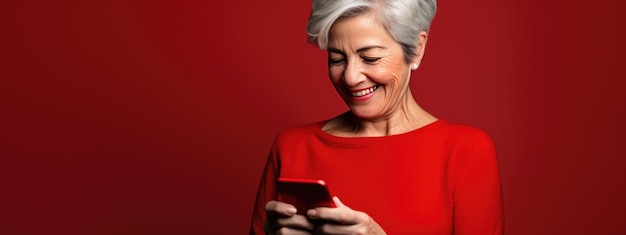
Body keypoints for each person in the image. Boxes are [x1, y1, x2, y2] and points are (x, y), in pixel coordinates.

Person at [250, 0, 504, 234]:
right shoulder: (293, 146)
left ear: (416, 50)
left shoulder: (467, 151)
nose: (350, 77)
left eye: (370, 58)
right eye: (336, 59)